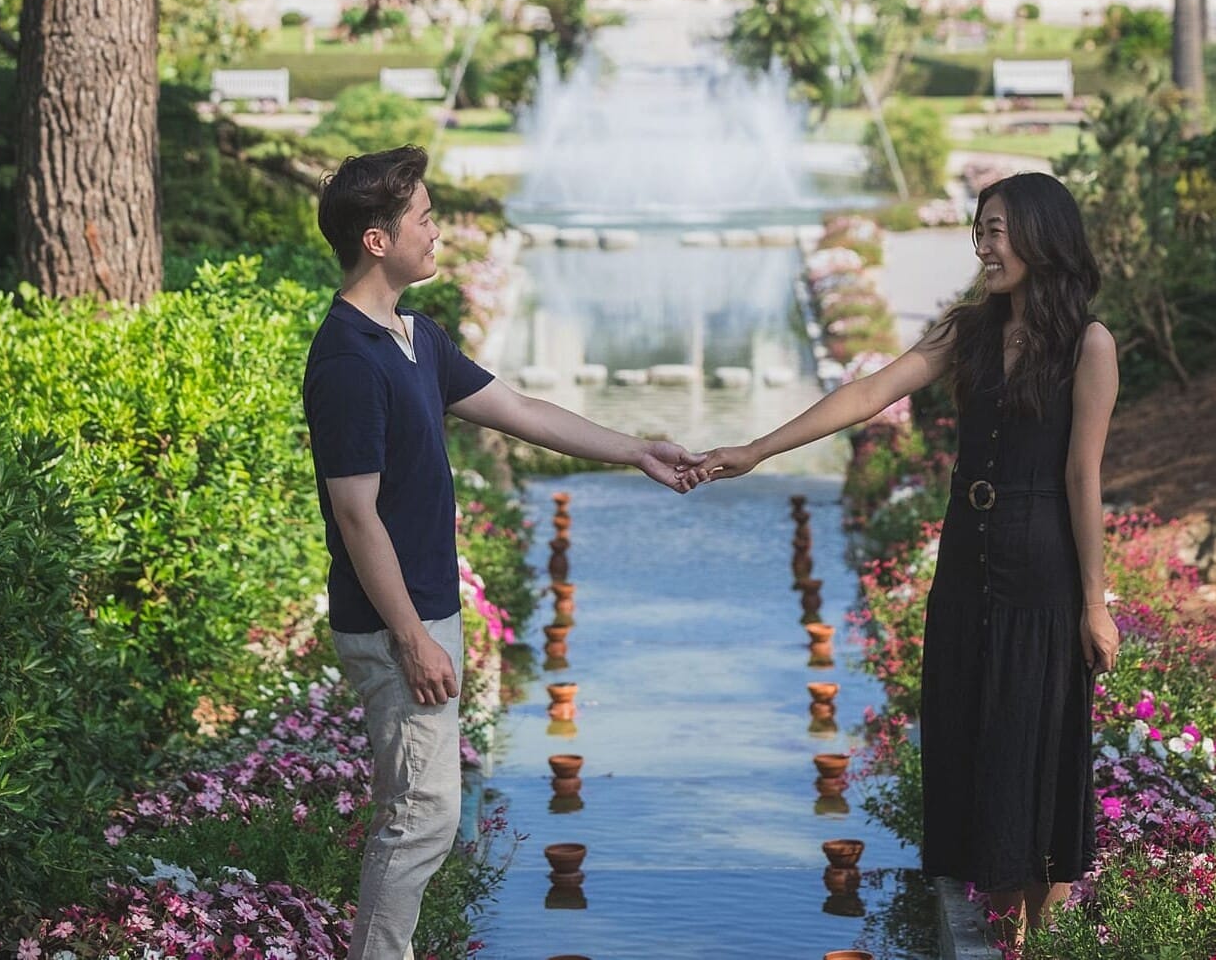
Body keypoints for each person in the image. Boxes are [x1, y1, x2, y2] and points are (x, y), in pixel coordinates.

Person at [695, 172, 1117, 940]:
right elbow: (870, 392)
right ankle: (998, 923)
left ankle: (1039, 933)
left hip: (1042, 573)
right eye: (979, 231)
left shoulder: (1088, 343)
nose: (982, 245)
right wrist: (756, 449)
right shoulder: (970, 329)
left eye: (995, 230)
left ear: (1039, 234)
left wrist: (1093, 603)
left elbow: (1081, 476)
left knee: (1034, 739)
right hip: (965, 565)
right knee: (969, 725)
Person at [305, 146, 701, 960]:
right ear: (377, 240)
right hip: (393, 623)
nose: (436, 230)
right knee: (422, 817)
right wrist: (411, 636)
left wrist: (635, 449)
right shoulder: (347, 357)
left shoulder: (412, 335)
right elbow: (354, 514)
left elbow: (519, 409)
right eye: (421, 216)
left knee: (415, 812)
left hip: (423, 611)